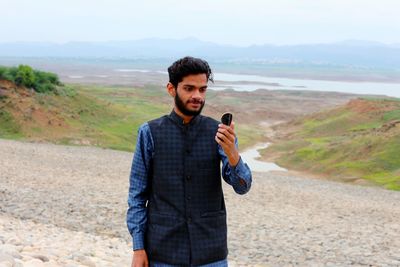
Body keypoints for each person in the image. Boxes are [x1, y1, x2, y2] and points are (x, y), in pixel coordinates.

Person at [126, 56, 252, 267]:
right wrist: (138, 248)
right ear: (171, 89)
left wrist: (233, 155)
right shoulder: (149, 133)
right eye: (189, 88)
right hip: (163, 253)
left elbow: (243, 187)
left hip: (210, 254)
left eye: (202, 90)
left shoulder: (219, 133)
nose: (197, 96)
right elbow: (137, 196)